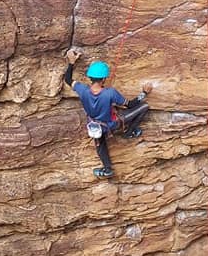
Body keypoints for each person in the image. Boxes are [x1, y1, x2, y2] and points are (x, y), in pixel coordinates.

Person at [63, 48, 152, 179]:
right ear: (104, 78)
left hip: (95, 126)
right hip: (112, 124)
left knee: (100, 144)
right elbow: (131, 104)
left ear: (90, 77)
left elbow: (68, 79)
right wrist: (143, 93)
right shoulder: (110, 93)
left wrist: (71, 62)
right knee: (144, 106)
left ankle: (107, 169)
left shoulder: (82, 90)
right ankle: (129, 133)